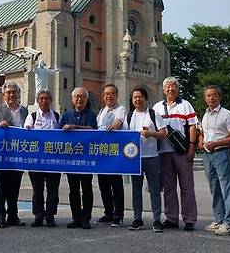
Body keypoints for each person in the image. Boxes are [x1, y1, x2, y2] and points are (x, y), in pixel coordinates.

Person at [152, 76, 198, 231]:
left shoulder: (185, 105)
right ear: (164, 90)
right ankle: (171, 218)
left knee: (187, 186)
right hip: (163, 152)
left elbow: (192, 126)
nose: (171, 89)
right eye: (168, 87)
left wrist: (192, 146)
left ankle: (189, 219)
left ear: (177, 89)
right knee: (169, 187)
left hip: (182, 151)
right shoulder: (157, 107)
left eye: (174, 86)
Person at [123, 87, 167, 233]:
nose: (137, 100)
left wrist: (151, 134)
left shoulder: (154, 114)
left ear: (145, 98)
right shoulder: (129, 116)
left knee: (154, 189)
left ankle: (156, 219)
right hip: (135, 158)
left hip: (152, 156)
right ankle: (137, 218)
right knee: (136, 189)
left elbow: (163, 133)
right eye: (135, 97)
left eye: (140, 97)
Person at [198, 85, 230, 236]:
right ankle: (219, 219)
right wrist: (201, 140)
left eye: (214, 95)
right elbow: (203, 132)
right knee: (214, 188)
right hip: (208, 155)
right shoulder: (206, 115)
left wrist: (216, 143)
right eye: (208, 96)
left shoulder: (227, 115)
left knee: (227, 188)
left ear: (219, 97)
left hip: (222, 153)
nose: (211, 98)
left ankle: (228, 222)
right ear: (205, 98)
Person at [0, 82, 29, 228]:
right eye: (8, 93)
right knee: (1, 187)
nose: (11, 95)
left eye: (14, 92)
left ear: (18, 93)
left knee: (15, 187)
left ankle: (13, 216)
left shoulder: (24, 111)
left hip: (19, 154)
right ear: (3, 94)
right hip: (3, 155)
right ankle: (0, 216)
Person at [59, 87, 98, 229]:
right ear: (72, 99)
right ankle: (76, 218)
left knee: (87, 189)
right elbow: (57, 134)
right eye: (76, 96)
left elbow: (92, 130)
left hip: (86, 159)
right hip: (70, 159)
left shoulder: (91, 114)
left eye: (82, 97)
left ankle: (86, 218)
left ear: (86, 99)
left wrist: (74, 127)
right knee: (73, 190)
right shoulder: (66, 114)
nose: (79, 99)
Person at [24, 89, 61, 228]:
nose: (44, 101)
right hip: (36, 161)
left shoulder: (57, 116)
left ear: (51, 101)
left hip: (53, 160)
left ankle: (50, 216)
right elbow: (26, 135)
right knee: (37, 190)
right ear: (38, 101)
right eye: (41, 99)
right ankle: (38, 216)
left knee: (53, 190)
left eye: (47, 98)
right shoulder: (31, 116)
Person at [95, 84, 126, 227]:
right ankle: (108, 212)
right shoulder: (102, 111)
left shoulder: (121, 109)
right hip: (102, 152)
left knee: (116, 184)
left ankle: (118, 214)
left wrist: (114, 126)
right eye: (106, 94)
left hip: (114, 152)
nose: (109, 96)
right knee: (104, 184)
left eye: (112, 93)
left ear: (116, 95)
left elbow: (119, 122)